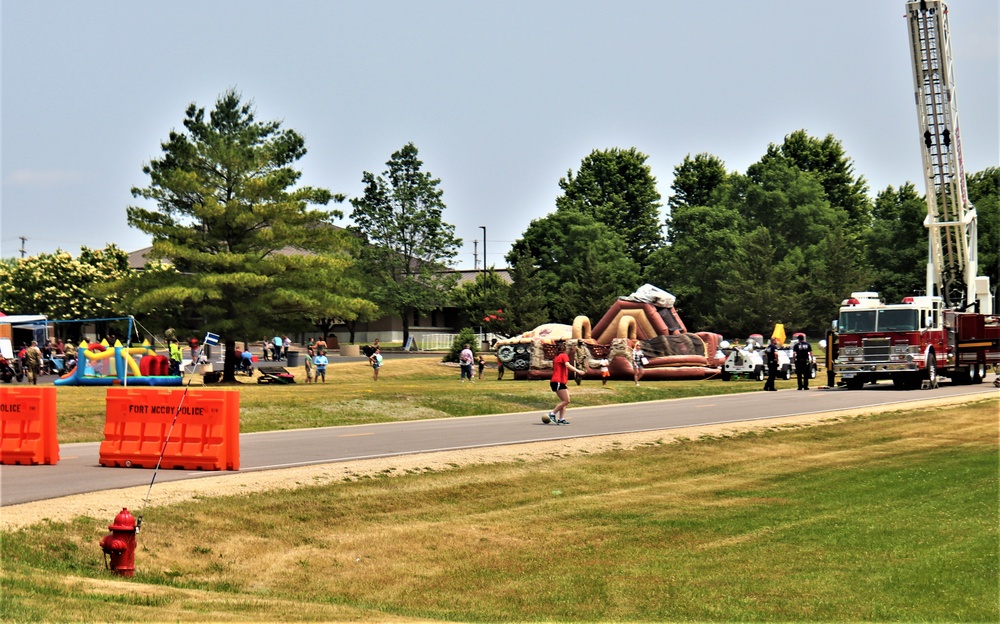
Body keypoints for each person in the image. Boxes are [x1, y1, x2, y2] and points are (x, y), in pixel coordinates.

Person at [547, 341, 584, 425]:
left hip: (558, 381)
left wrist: (565, 383)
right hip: (558, 381)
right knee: (566, 400)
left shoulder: (556, 358)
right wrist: (578, 371)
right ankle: (552, 414)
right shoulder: (564, 356)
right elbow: (567, 365)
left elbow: (559, 370)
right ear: (564, 349)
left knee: (564, 401)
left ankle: (561, 419)